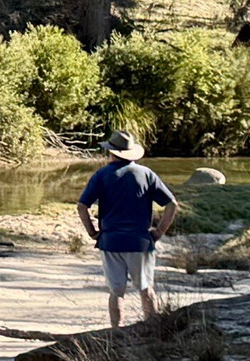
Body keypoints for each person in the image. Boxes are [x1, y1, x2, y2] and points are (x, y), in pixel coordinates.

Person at [77, 130, 179, 329]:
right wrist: (158, 232)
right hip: (140, 242)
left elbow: (82, 206)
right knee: (146, 288)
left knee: (116, 292)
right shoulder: (146, 174)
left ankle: (117, 331)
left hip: (110, 242)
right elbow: (172, 204)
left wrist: (92, 232)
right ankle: (152, 328)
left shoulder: (102, 175)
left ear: (111, 152)